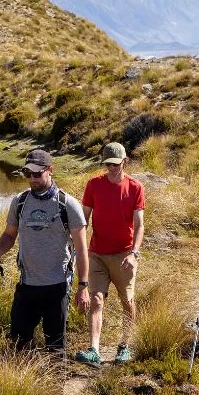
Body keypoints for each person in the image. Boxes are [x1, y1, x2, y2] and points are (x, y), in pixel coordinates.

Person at [0, 149, 90, 352]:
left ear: (50, 170)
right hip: (27, 285)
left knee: (55, 346)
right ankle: (23, 372)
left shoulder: (68, 204)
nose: (32, 179)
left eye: (37, 173)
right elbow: (9, 235)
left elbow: (81, 249)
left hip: (57, 286)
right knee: (19, 342)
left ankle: (55, 372)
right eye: (27, 173)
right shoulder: (20, 202)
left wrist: (83, 287)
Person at [74, 142, 145, 367]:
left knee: (128, 301)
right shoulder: (94, 185)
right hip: (96, 254)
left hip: (124, 255)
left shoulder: (135, 187)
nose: (112, 168)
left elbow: (139, 225)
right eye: (108, 164)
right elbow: (83, 220)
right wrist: (77, 247)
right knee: (96, 300)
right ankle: (94, 350)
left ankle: (125, 346)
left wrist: (134, 253)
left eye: (116, 164)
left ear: (125, 161)